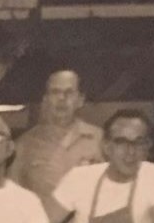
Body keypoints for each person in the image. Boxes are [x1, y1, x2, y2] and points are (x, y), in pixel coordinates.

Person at [10, 69, 104, 208]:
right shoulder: (24, 145)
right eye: (55, 92)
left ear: (80, 100)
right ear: (45, 100)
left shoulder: (100, 139)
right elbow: (12, 197)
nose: (62, 98)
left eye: (69, 92)